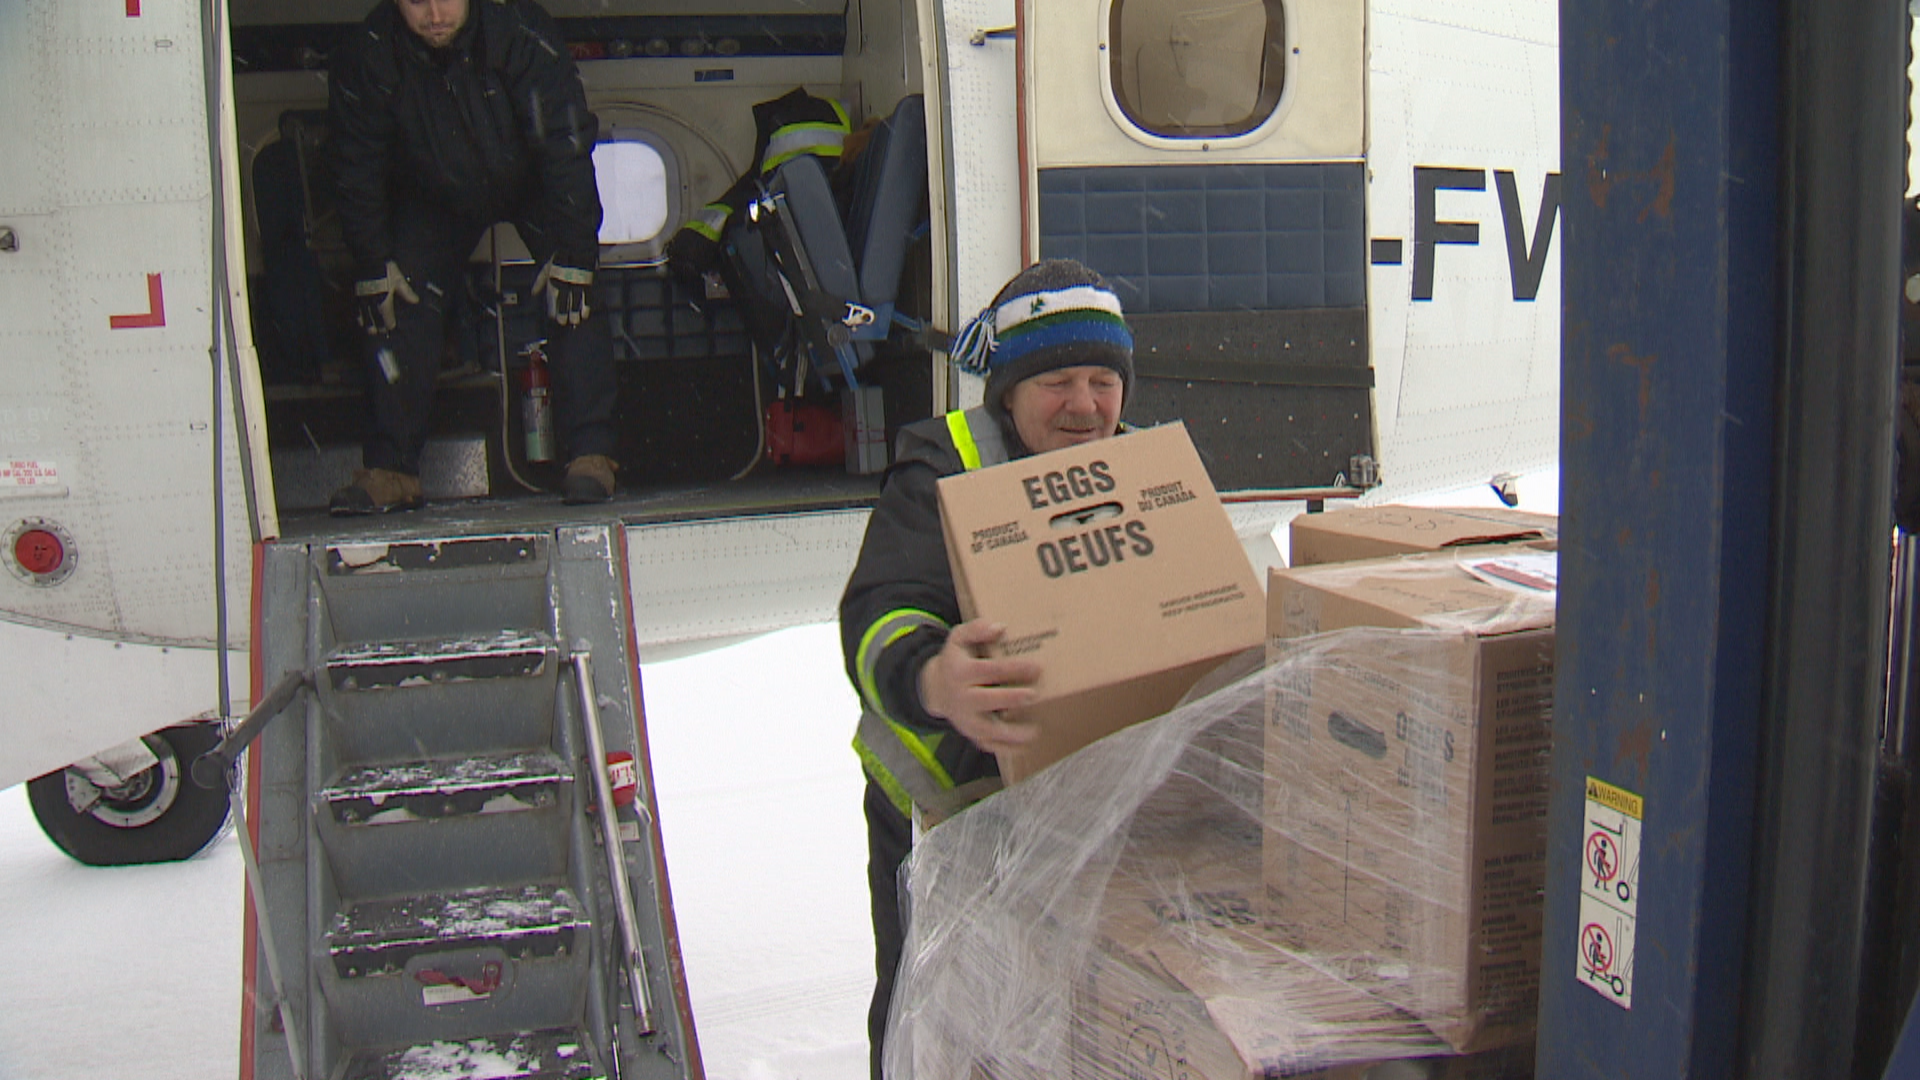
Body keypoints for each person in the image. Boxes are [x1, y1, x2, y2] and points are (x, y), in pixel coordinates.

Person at [837, 258, 1135, 1079]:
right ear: (1008, 389)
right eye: (1058, 382)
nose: (1086, 407)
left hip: (1088, 803)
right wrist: (935, 680)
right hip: (943, 809)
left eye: (1103, 380)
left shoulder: (1145, 473)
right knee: (933, 1021)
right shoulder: (944, 463)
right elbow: (881, 609)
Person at [326, 0, 618, 514]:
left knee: (575, 292)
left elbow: (565, 139)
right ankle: (392, 467)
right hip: (432, 194)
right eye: (418, 1)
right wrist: (373, 260)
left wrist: (576, 251)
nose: (435, 14)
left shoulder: (520, 30)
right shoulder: (372, 50)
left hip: (530, 180)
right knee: (394, 300)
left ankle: (591, 455)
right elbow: (356, 160)